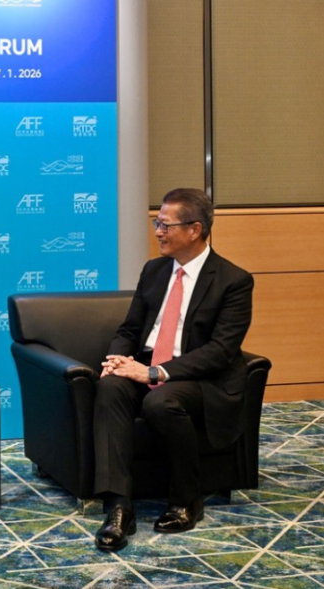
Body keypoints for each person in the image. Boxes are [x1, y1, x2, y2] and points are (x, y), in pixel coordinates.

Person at [93, 188, 253, 552]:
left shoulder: (233, 281)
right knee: (110, 387)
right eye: (157, 223)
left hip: (201, 378)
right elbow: (130, 329)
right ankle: (119, 506)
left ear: (195, 230)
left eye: (166, 225)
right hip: (148, 363)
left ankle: (186, 499)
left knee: (161, 402)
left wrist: (155, 374)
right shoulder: (154, 270)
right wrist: (116, 360)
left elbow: (221, 351)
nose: (158, 232)